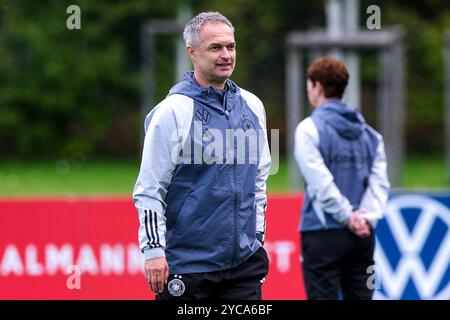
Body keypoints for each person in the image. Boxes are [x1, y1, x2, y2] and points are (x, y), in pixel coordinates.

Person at [133, 11, 271, 300]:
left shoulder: (252, 105)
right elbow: (149, 190)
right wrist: (154, 252)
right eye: (215, 48)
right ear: (192, 53)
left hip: (243, 266)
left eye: (230, 47)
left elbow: (258, 180)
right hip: (188, 268)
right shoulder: (172, 111)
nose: (226, 55)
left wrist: (257, 237)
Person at [294, 56, 390, 300]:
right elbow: (379, 184)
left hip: (322, 231)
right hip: (362, 235)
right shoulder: (371, 134)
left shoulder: (309, 129)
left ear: (316, 87)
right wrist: (364, 217)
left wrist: (347, 216)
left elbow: (320, 183)